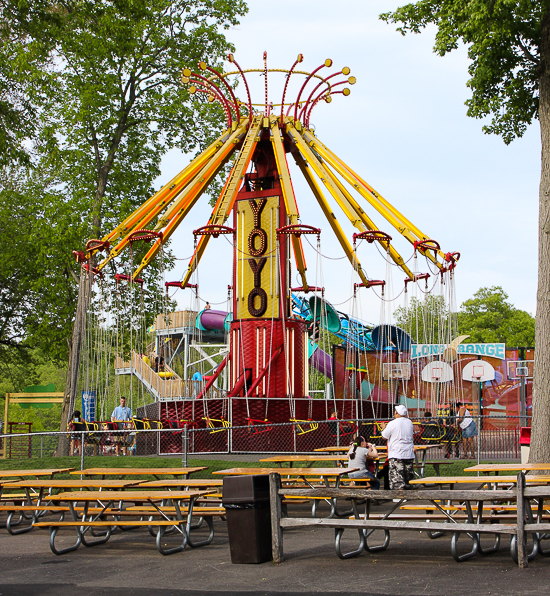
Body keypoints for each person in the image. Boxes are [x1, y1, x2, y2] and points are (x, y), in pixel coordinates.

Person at [380, 405, 415, 490]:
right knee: (407, 477)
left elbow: (384, 436)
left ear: (396, 412)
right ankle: (407, 495)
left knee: (397, 477)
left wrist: (384, 428)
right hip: (408, 453)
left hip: (396, 453)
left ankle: (399, 497)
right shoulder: (409, 422)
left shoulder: (393, 423)